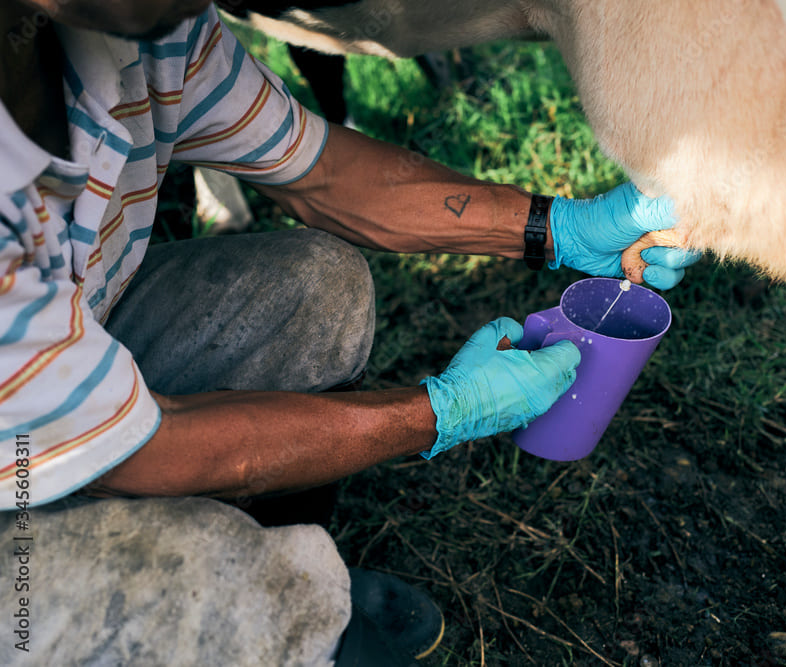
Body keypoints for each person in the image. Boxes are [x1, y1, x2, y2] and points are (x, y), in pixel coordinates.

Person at [0, 0, 700, 664]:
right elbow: (146, 448)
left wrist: (559, 228)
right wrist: (440, 411)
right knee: (219, 584)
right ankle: (267, 590)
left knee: (317, 289)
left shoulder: (146, 29)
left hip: (68, 346)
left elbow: (323, 173)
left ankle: (290, 550)